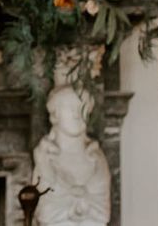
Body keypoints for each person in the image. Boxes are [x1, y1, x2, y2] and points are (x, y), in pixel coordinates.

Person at [33, 85, 111, 226]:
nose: (77, 114)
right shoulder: (45, 158)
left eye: (83, 107)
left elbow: (102, 212)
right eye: (69, 107)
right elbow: (44, 213)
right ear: (55, 115)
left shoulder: (98, 160)